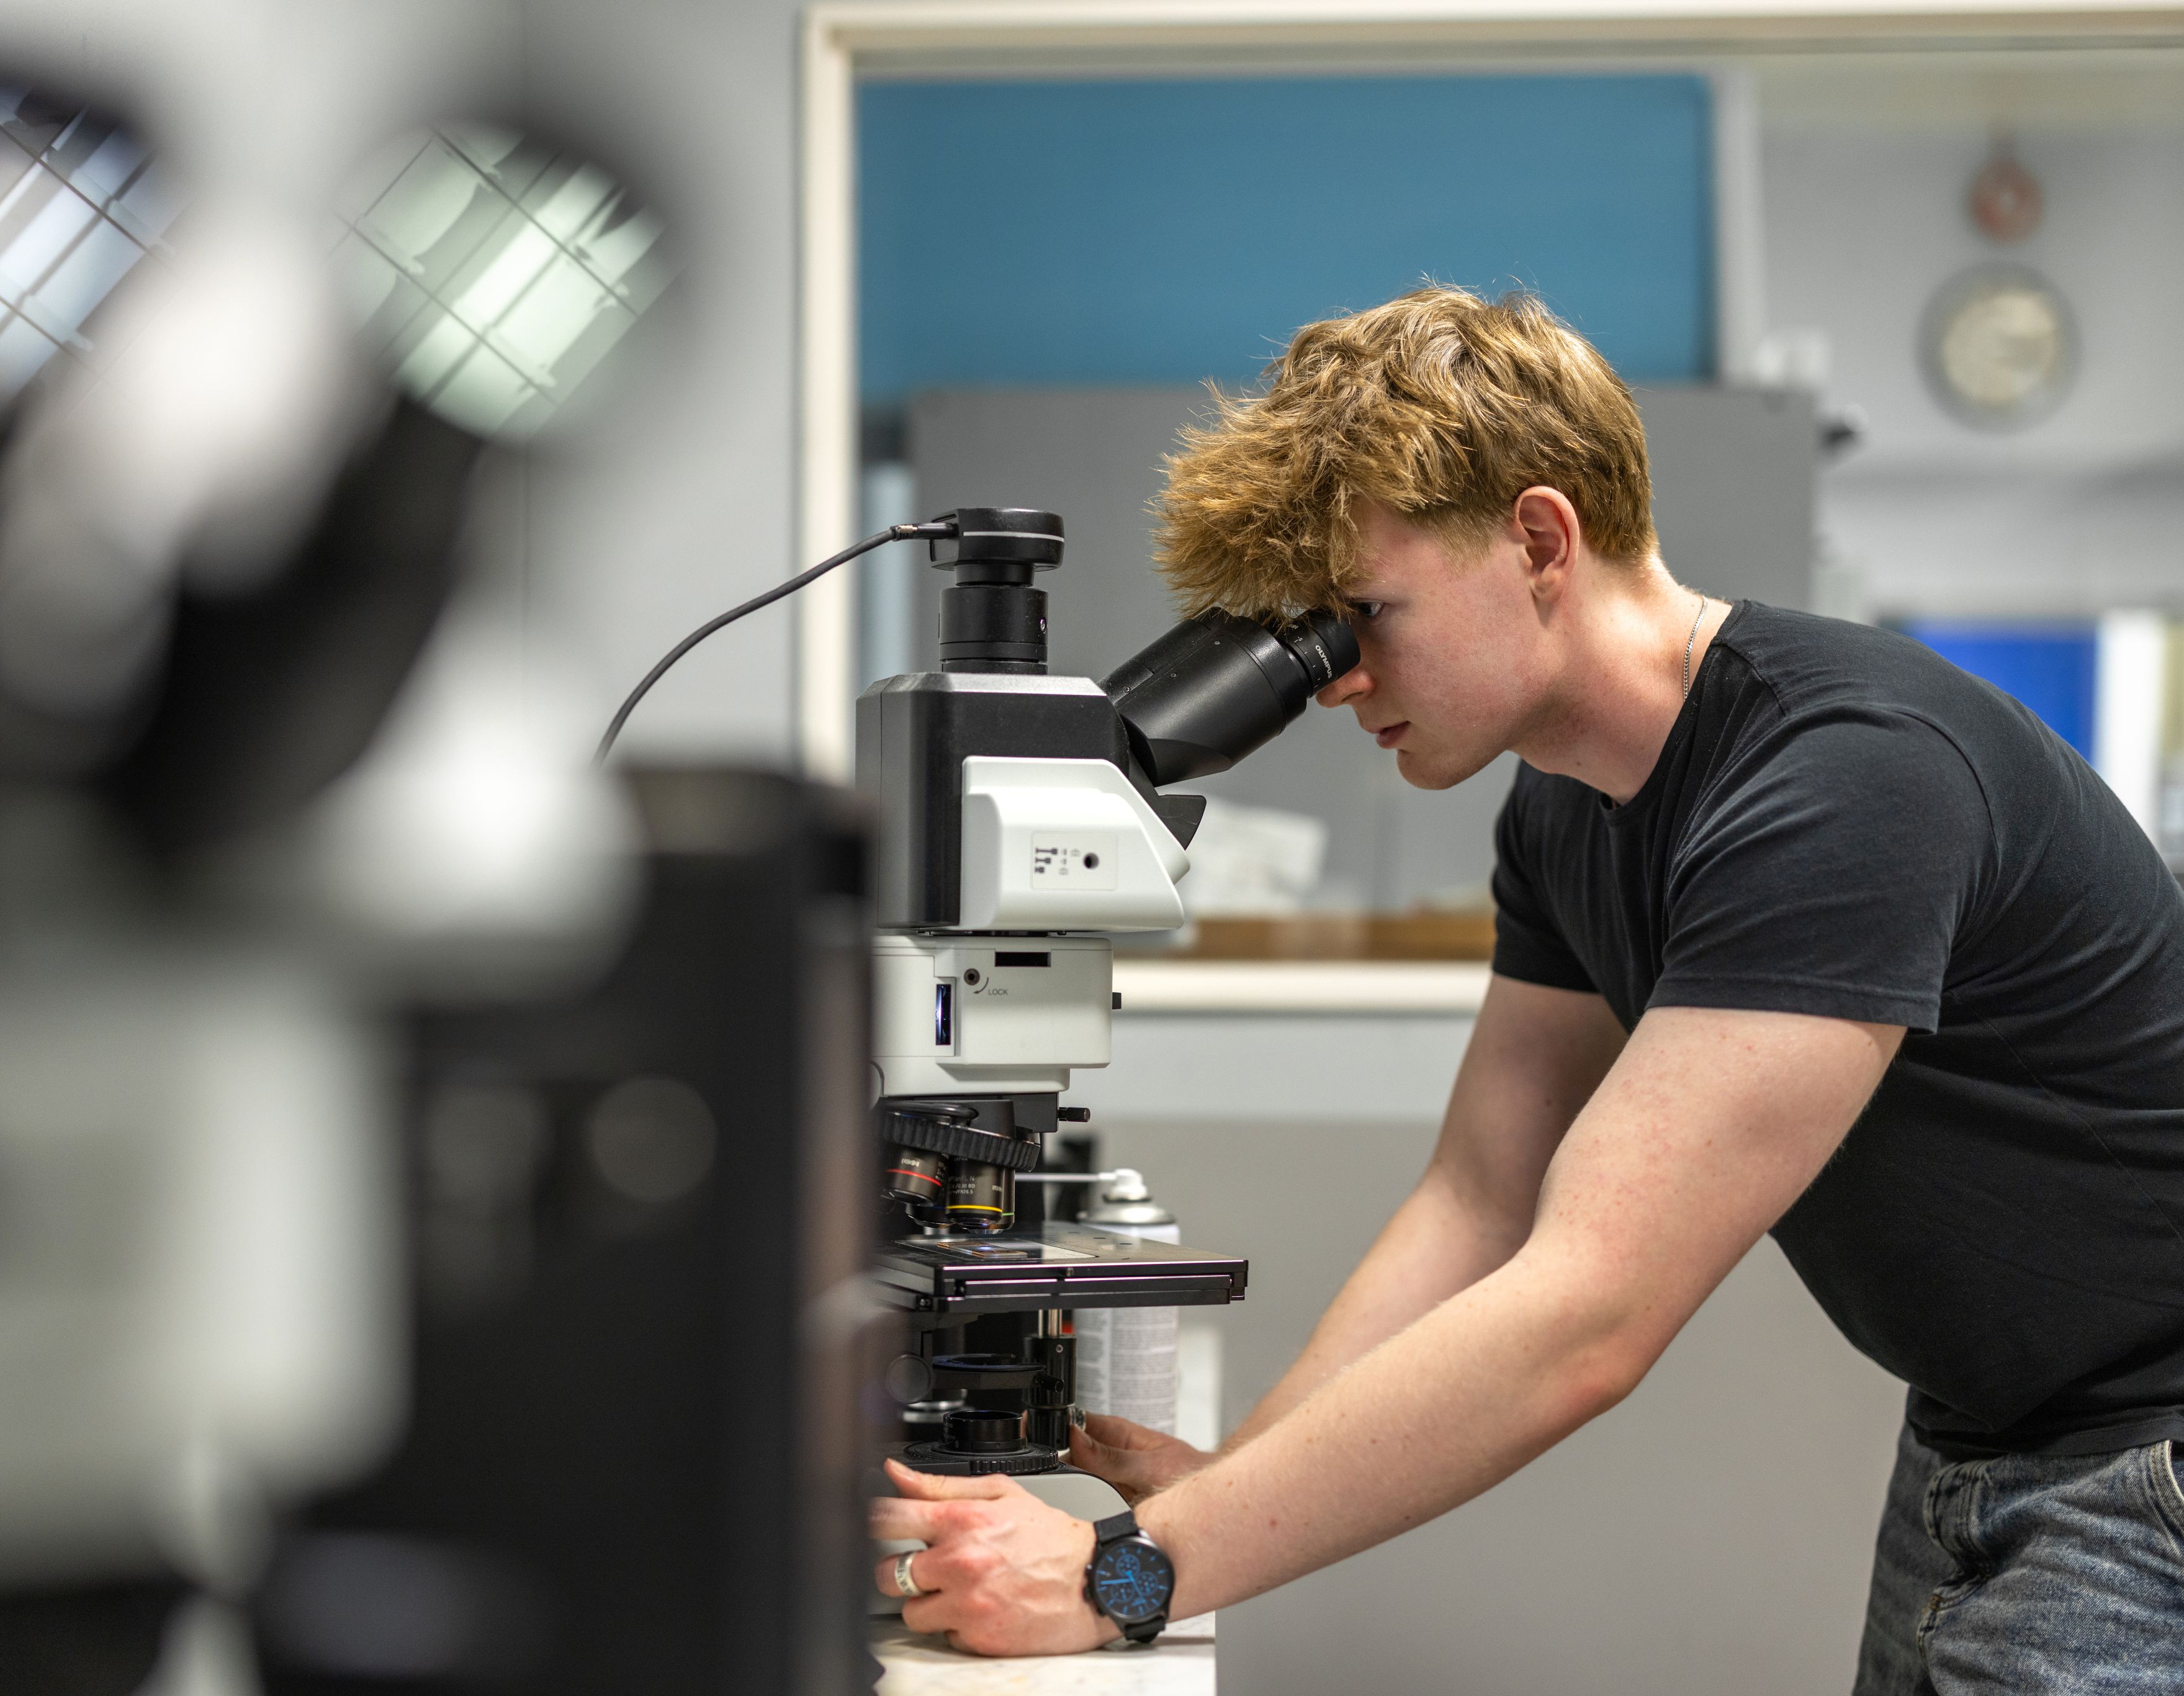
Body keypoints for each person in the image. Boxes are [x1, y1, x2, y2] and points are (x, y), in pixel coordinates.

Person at [870, 287, 2184, 1692]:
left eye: (1364, 615)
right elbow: (1481, 1201)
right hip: (1976, 1435)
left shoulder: (1843, 779)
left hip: (2142, 1469)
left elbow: (1585, 1313)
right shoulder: (1565, 812)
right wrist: (1223, 1490)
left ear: (1540, 539)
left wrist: (1127, 1573)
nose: (1334, 680)